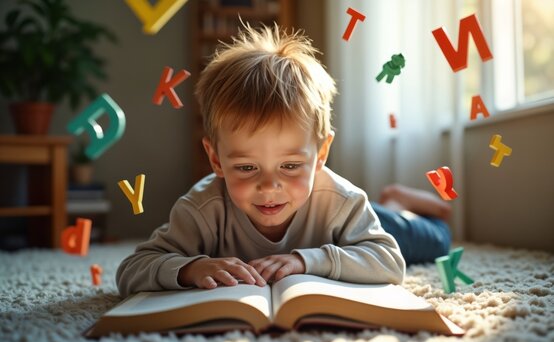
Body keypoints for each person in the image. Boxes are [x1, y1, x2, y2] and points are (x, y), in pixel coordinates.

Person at [116, 24, 449, 298]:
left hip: (356, 231)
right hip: (342, 222)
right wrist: (191, 268)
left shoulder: (343, 201)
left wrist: (308, 261)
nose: (269, 186)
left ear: (320, 155)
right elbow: (132, 269)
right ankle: (386, 202)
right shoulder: (202, 208)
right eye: (247, 168)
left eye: (290, 166)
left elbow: (389, 262)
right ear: (216, 160)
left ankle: (396, 202)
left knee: (435, 240)